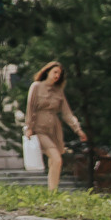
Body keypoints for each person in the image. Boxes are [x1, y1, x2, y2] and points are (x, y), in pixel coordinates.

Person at [25, 60, 84, 193]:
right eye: (55, 72)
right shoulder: (36, 86)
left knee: (55, 160)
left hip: (54, 129)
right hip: (39, 129)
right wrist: (29, 126)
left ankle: (52, 190)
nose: (57, 75)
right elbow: (30, 107)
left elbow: (67, 113)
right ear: (47, 72)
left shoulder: (58, 91)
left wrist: (78, 130)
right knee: (56, 158)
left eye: (59, 73)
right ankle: (52, 191)